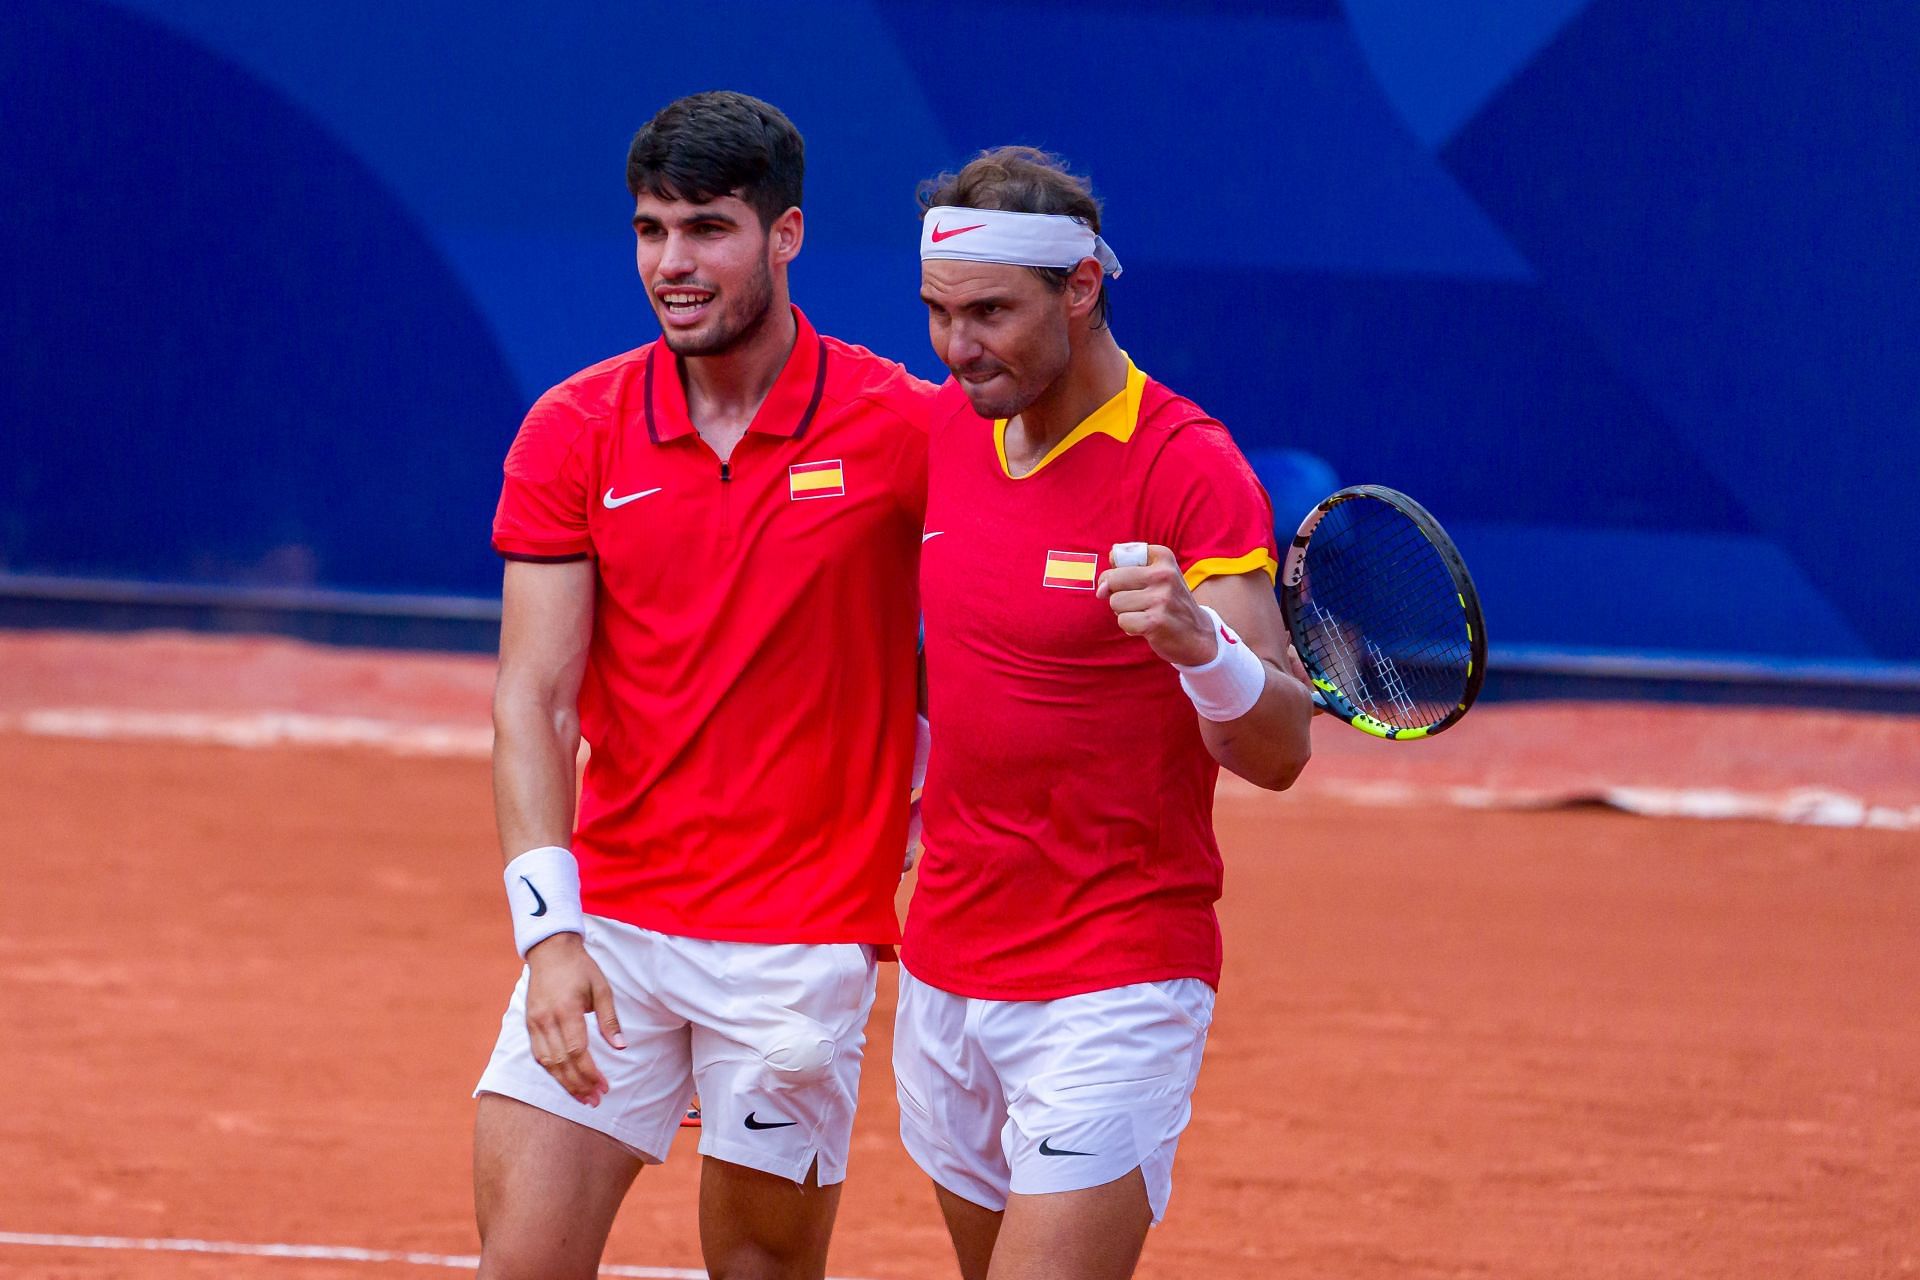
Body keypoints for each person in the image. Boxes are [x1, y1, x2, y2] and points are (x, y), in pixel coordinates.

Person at [474, 91, 933, 1280]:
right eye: (650, 230)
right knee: (522, 1264)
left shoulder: (899, 427)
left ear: (786, 235)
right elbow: (535, 696)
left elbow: (1002, 599)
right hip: (613, 926)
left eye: (707, 230)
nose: (671, 264)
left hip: (800, 944)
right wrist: (548, 934)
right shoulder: (572, 429)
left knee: (760, 1269)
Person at [897, 146, 1316, 1280]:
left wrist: (1200, 643)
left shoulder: (1189, 468)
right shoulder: (942, 429)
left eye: (989, 312)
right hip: (943, 964)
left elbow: (1278, 746)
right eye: (937, 313)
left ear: (1080, 287)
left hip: (1115, 974)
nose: (957, 347)